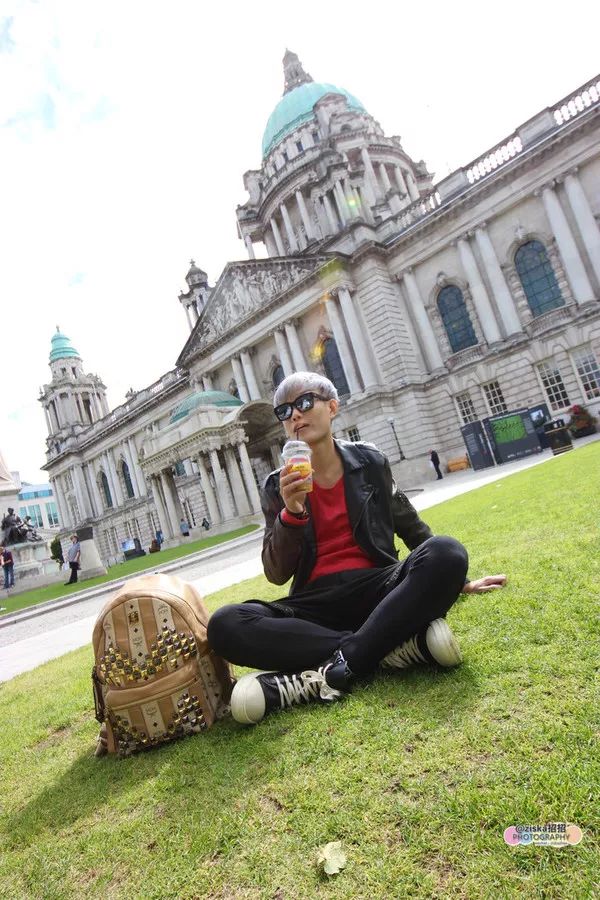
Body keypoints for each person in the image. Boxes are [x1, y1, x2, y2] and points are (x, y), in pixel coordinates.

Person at [208, 372, 506, 725]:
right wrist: (292, 513)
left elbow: (410, 526)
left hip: (380, 589)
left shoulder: (370, 461)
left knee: (447, 552)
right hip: (313, 607)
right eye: (284, 411)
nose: (295, 415)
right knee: (224, 624)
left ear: (333, 407)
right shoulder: (277, 485)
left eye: (305, 402)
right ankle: (391, 648)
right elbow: (276, 573)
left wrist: (460, 581)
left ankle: (326, 670)